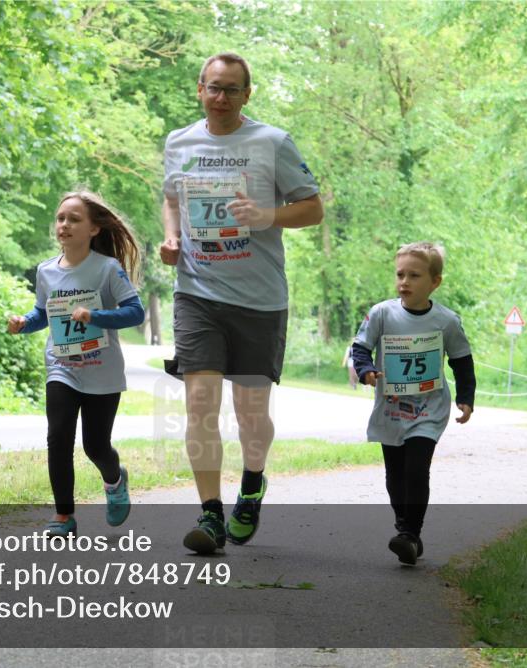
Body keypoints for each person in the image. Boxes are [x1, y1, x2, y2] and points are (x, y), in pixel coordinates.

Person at [160, 52, 324, 554]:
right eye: (214, 87)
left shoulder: (271, 142)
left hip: (259, 299)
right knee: (200, 405)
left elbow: (313, 208)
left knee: (251, 413)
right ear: (199, 89)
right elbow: (172, 197)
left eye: (232, 89)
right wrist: (170, 238)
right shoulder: (179, 141)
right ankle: (210, 515)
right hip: (198, 293)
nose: (221, 97)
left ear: (247, 94)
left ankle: (252, 482)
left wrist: (264, 215)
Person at [8, 191, 145, 537]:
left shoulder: (107, 269)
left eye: (74, 219)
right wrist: (25, 322)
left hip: (102, 371)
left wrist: (94, 315)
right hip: (62, 366)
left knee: (95, 445)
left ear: (94, 229)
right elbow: (44, 312)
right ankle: (63, 516)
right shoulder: (46, 271)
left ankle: (114, 480)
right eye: (60, 218)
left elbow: (135, 312)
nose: (64, 225)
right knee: (58, 438)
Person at [351, 242, 475, 565]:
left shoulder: (446, 321)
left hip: (429, 411)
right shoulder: (382, 314)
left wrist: (466, 399)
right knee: (395, 477)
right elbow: (360, 348)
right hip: (391, 411)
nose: (404, 282)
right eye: (400, 274)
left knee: (416, 469)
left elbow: (462, 361)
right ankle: (404, 526)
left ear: (435, 282)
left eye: (415, 276)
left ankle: (410, 533)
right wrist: (366, 372)